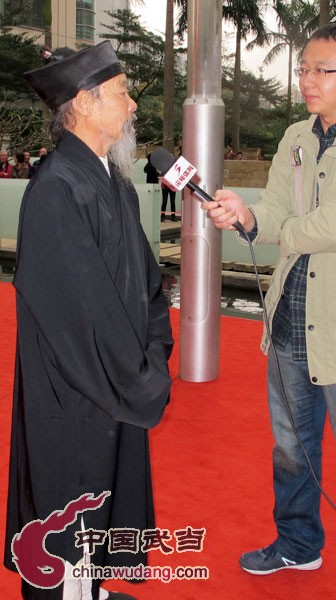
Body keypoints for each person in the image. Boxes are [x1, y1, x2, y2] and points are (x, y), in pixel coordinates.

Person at [202, 22, 336, 599]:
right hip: (289, 317)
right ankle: (298, 545)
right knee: (292, 452)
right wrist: (244, 215)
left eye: (323, 70)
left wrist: (276, 229)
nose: (308, 81)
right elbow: (273, 210)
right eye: (303, 69)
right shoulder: (297, 135)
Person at [4, 41, 173, 600]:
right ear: (83, 103)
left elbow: (149, 285)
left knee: (100, 507)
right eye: (122, 94)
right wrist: (139, 377)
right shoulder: (55, 189)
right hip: (75, 392)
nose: (131, 108)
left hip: (115, 382)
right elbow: (80, 315)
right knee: (69, 514)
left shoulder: (114, 182)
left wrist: (153, 354)